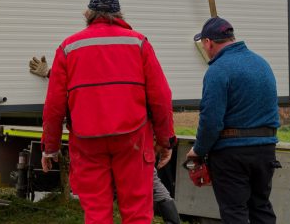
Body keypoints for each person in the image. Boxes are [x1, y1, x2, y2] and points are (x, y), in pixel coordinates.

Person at [41, 0, 176, 224]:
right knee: (136, 212)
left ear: (89, 14)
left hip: (87, 141)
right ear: (119, 14)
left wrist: (50, 148)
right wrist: (166, 141)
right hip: (132, 140)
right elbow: (161, 97)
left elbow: (54, 106)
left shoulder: (68, 47)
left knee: (96, 213)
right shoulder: (138, 43)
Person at [29, 56, 181, 224]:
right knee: (145, 189)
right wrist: (164, 138)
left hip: (99, 138)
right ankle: (172, 220)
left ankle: (172, 219)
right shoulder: (131, 60)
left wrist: (52, 74)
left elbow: (82, 86)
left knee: (103, 202)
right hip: (131, 138)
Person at [186, 17, 281, 224]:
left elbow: (211, 120)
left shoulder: (218, 70)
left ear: (209, 42)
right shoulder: (262, 64)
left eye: (204, 45)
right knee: (261, 208)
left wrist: (199, 150)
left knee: (234, 213)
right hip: (266, 150)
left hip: (232, 155)